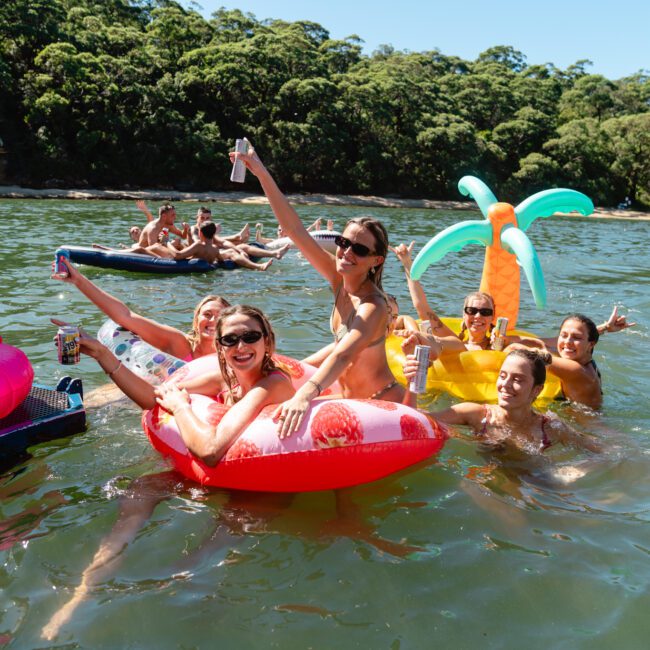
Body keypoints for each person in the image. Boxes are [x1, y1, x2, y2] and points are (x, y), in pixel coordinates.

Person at [231, 142, 406, 437]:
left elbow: (343, 356)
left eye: (359, 249)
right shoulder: (339, 282)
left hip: (382, 405)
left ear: (376, 261)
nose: (347, 252)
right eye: (344, 243)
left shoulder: (373, 307)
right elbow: (296, 230)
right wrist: (260, 172)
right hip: (349, 399)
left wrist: (304, 395)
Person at [154, 305, 295, 465]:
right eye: (230, 340)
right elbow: (160, 393)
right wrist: (118, 367)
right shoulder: (226, 381)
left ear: (267, 341)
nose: (241, 347)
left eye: (251, 337)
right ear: (220, 348)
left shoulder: (273, 384)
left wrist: (180, 407)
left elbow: (210, 451)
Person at [402, 344, 601, 455]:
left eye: (517, 379)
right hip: (488, 486)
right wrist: (412, 384)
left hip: (540, 487)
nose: (505, 384)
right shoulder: (475, 413)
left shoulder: (550, 426)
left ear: (536, 390)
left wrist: (571, 474)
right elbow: (416, 420)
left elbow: (601, 451)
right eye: (503, 376)